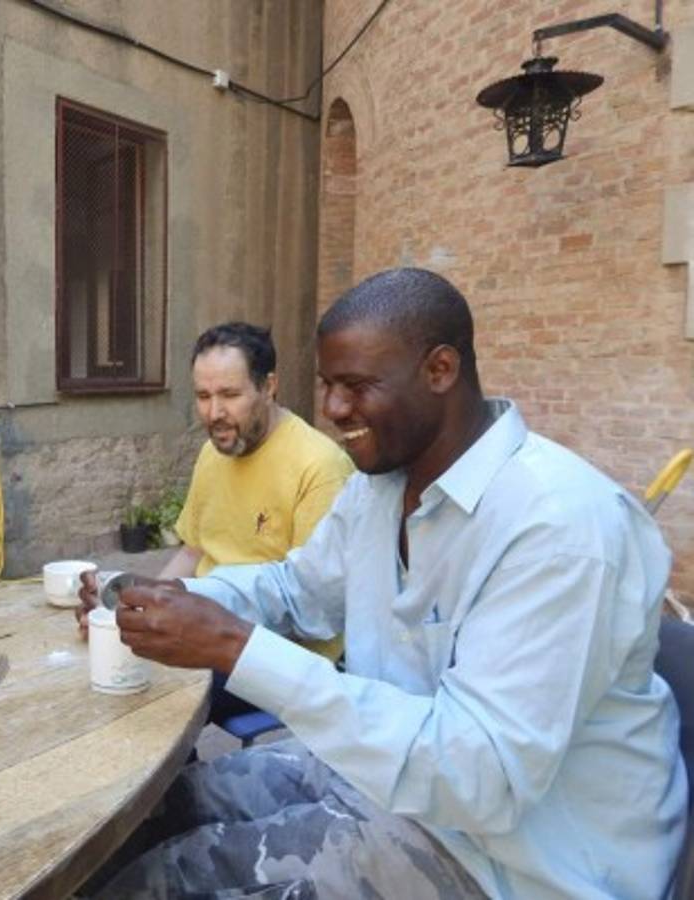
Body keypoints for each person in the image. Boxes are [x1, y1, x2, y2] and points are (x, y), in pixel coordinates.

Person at [78, 268, 686, 899]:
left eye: (357, 386)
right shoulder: (379, 489)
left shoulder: (560, 529)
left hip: (511, 861)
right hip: (386, 779)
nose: (334, 410)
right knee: (156, 815)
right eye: (327, 386)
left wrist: (234, 647)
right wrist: (165, 601)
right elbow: (296, 591)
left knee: (159, 884)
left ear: (440, 370)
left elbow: (479, 780)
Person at [155, 321, 352, 727]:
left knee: (161, 694)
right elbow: (194, 550)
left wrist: (200, 629)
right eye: (203, 396)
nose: (214, 414)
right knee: (123, 658)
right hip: (207, 623)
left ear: (269, 386)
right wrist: (147, 603)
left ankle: (181, 791)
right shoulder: (213, 455)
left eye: (230, 395)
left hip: (289, 653)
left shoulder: (319, 466)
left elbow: (312, 610)